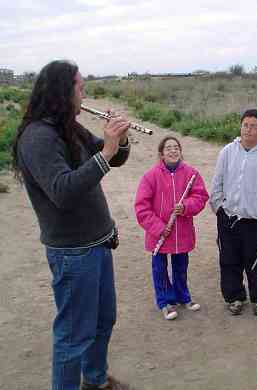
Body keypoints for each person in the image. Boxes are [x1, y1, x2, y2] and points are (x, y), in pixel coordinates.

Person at [12, 60, 132, 390]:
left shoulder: (70, 126)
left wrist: (118, 140)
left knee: (103, 321)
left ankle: (94, 380)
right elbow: (63, 191)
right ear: (62, 91)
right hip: (73, 253)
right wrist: (106, 152)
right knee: (73, 336)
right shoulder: (38, 137)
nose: (84, 93)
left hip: (98, 242)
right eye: (80, 87)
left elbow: (113, 157)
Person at [209, 109, 257, 316]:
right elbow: (218, 182)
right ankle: (234, 297)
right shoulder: (227, 151)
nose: (248, 130)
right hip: (229, 218)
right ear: (240, 126)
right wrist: (218, 208)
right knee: (229, 260)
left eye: (254, 126)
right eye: (245, 125)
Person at [135, 136, 208, 320]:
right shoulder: (150, 176)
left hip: (181, 232)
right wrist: (159, 228)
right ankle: (165, 302)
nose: (173, 151)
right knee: (159, 269)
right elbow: (141, 207)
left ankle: (183, 297)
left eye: (176, 147)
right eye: (169, 148)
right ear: (161, 153)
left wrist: (185, 207)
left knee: (181, 266)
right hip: (159, 235)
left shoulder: (191, 174)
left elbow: (200, 197)